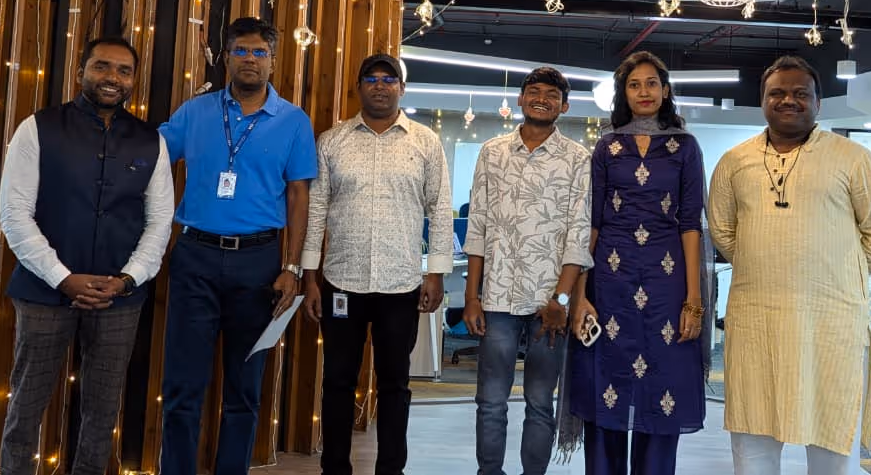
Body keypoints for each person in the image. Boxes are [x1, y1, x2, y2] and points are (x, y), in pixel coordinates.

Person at [707, 54, 871, 475]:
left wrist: (835, 272)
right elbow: (723, 232)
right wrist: (767, 262)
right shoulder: (734, 161)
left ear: (818, 103)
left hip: (831, 321)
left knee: (832, 435)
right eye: (777, 92)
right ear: (762, 99)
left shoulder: (854, 159)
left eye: (800, 93)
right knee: (753, 432)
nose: (788, 100)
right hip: (757, 318)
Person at [0, 36, 175, 475]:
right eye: (102, 67)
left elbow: (160, 223)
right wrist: (63, 277)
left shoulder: (152, 141)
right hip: (43, 294)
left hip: (120, 299)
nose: (112, 78)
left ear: (133, 80)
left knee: (102, 411)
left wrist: (128, 280)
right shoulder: (38, 128)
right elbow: (14, 214)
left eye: (123, 70)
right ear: (81, 71)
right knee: (26, 405)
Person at [159, 17, 318, 475]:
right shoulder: (195, 112)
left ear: (273, 60)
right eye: (242, 51)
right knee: (182, 385)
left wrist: (292, 265)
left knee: (245, 387)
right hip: (195, 257)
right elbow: (152, 162)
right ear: (227, 57)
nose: (251, 60)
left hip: (260, 264)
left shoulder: (293, 122)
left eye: (260, 52)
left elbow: (299, 196)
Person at [301, 53, 452, 475]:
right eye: (372, 78)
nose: (381, 86)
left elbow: (440, 209)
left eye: (389, 79)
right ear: (359, 87)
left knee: (394, 385)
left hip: (400, 285)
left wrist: (435, 272)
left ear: (402, 89)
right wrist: (310, 278)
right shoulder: (332, 141)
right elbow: (315, 211)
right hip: (340, 282)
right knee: (337, 383)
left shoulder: (424, 141)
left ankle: (391, 469)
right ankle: (335, 468)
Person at [562, 50, 709, 475]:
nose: (643, 92)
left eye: (651, 84)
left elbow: (689, 222)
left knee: (664, 384)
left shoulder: (686, 147)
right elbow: (593, 223)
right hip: (610, 278)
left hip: (668, 283)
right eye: (634, 84)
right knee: (605, 381)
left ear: (665, 92)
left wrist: (693, 299)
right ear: (623, 93)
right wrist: (580, 294)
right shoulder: (607, 146)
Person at [463, 67, 593, 475]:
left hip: (548, 304)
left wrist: (562, 300)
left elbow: (579, 232)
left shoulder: (578, 159)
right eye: (533, 91)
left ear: (564, 105)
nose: (541, 98)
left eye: (551, 94)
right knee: (490, 401)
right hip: (497, 297)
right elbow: (478, 225)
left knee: (540, 402)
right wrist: (471, 297)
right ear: (520, 99)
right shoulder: (492, 152)